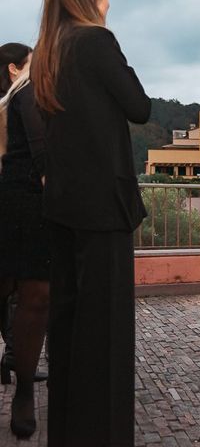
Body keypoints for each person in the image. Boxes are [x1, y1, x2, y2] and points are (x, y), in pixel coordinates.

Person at [30, 0, 151, 444]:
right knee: (106, 330)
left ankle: (67, 430)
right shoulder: (95, 41)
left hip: (62, 204)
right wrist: (105, 30)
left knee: (69, 323)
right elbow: (139, 106)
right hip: (103, 205)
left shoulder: (48, 52)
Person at [0, 42, 50, 439]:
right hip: (16, 201)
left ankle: (24, 389)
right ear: (15, 69)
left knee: (35, 294)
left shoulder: (33, 95)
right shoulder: (21, 97)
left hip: (30, 205)